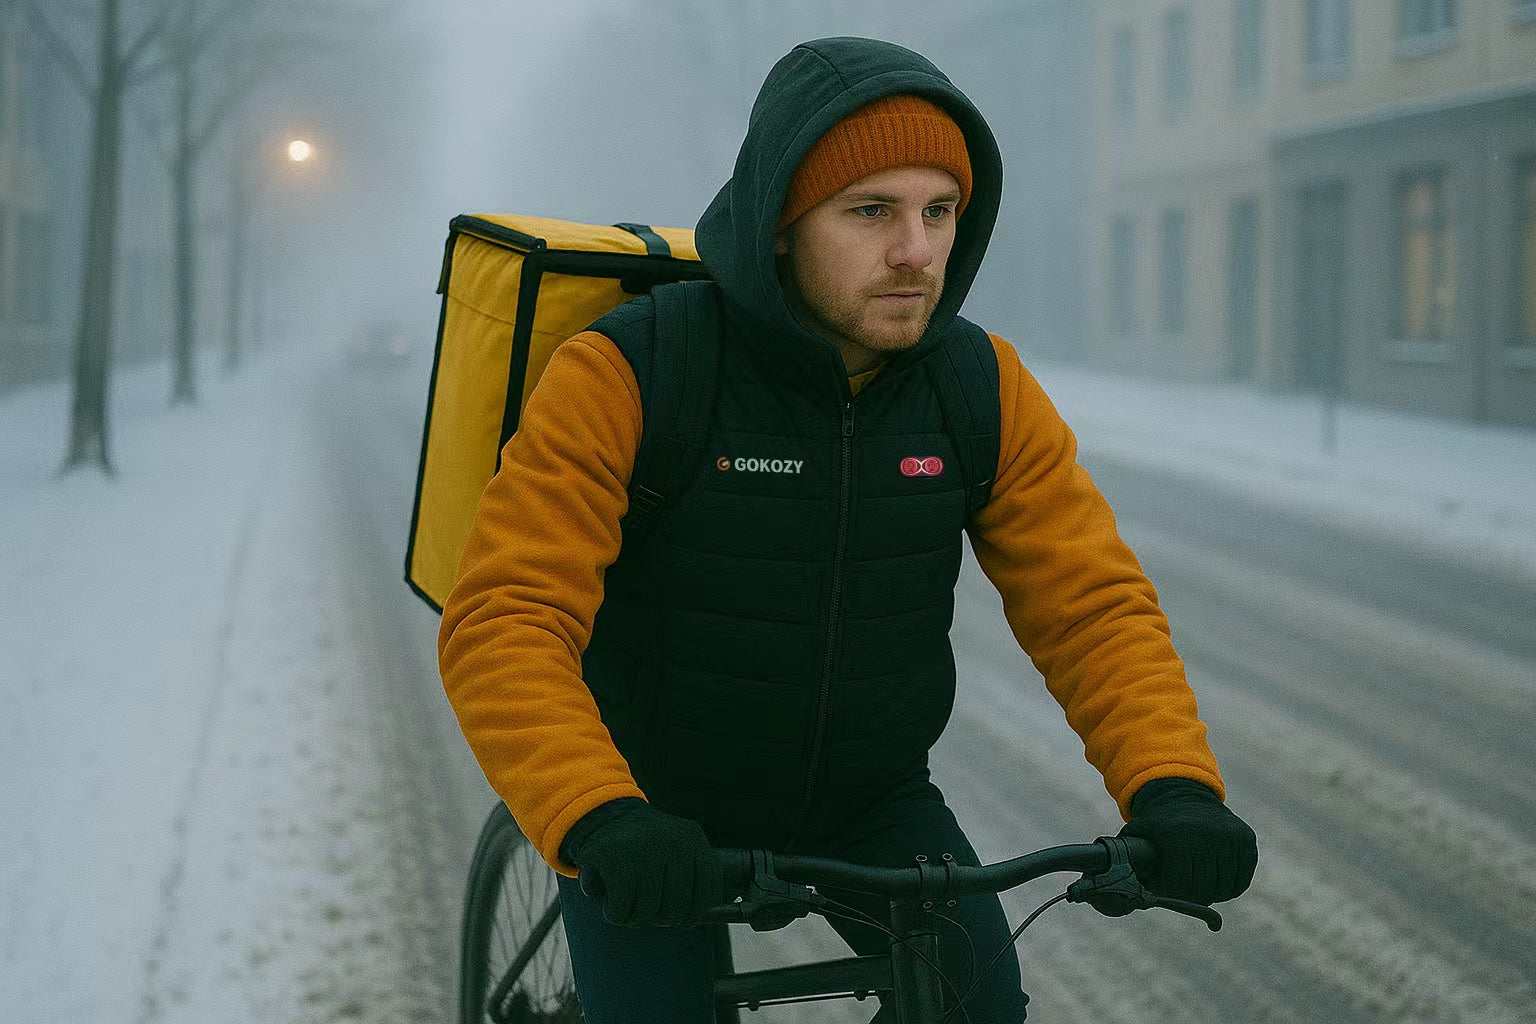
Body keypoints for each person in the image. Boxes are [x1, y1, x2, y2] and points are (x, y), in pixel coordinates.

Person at [438, 35, 1257, 1023]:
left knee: (975, 1007)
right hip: (645, 797)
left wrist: (1171, 784)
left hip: (869, 797)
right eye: (871, 211)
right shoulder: (633, 373)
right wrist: (597, 813)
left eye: (938, 211)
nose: (917, 251)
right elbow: (507, 618)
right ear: (781, 223)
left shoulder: (977, 387)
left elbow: (1090, 607)